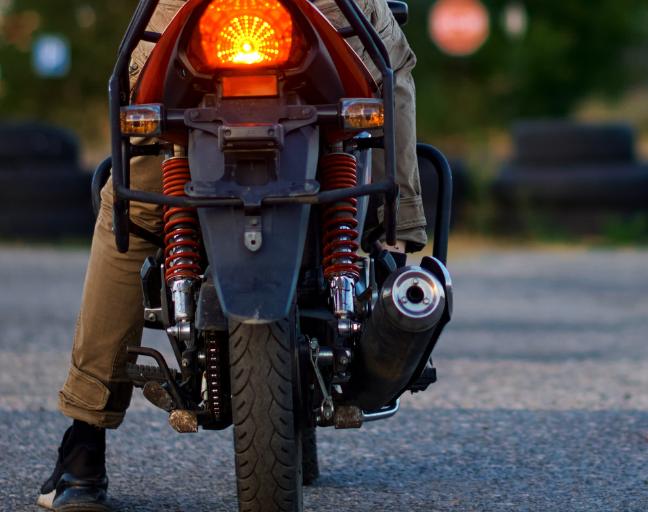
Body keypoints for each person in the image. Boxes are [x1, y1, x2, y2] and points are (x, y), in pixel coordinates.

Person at [35, 1, 422, 511]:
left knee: (134, 211)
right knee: (385, 79)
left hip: (194, 18)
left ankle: (84, 446)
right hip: (328, 18)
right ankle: (394, 236)